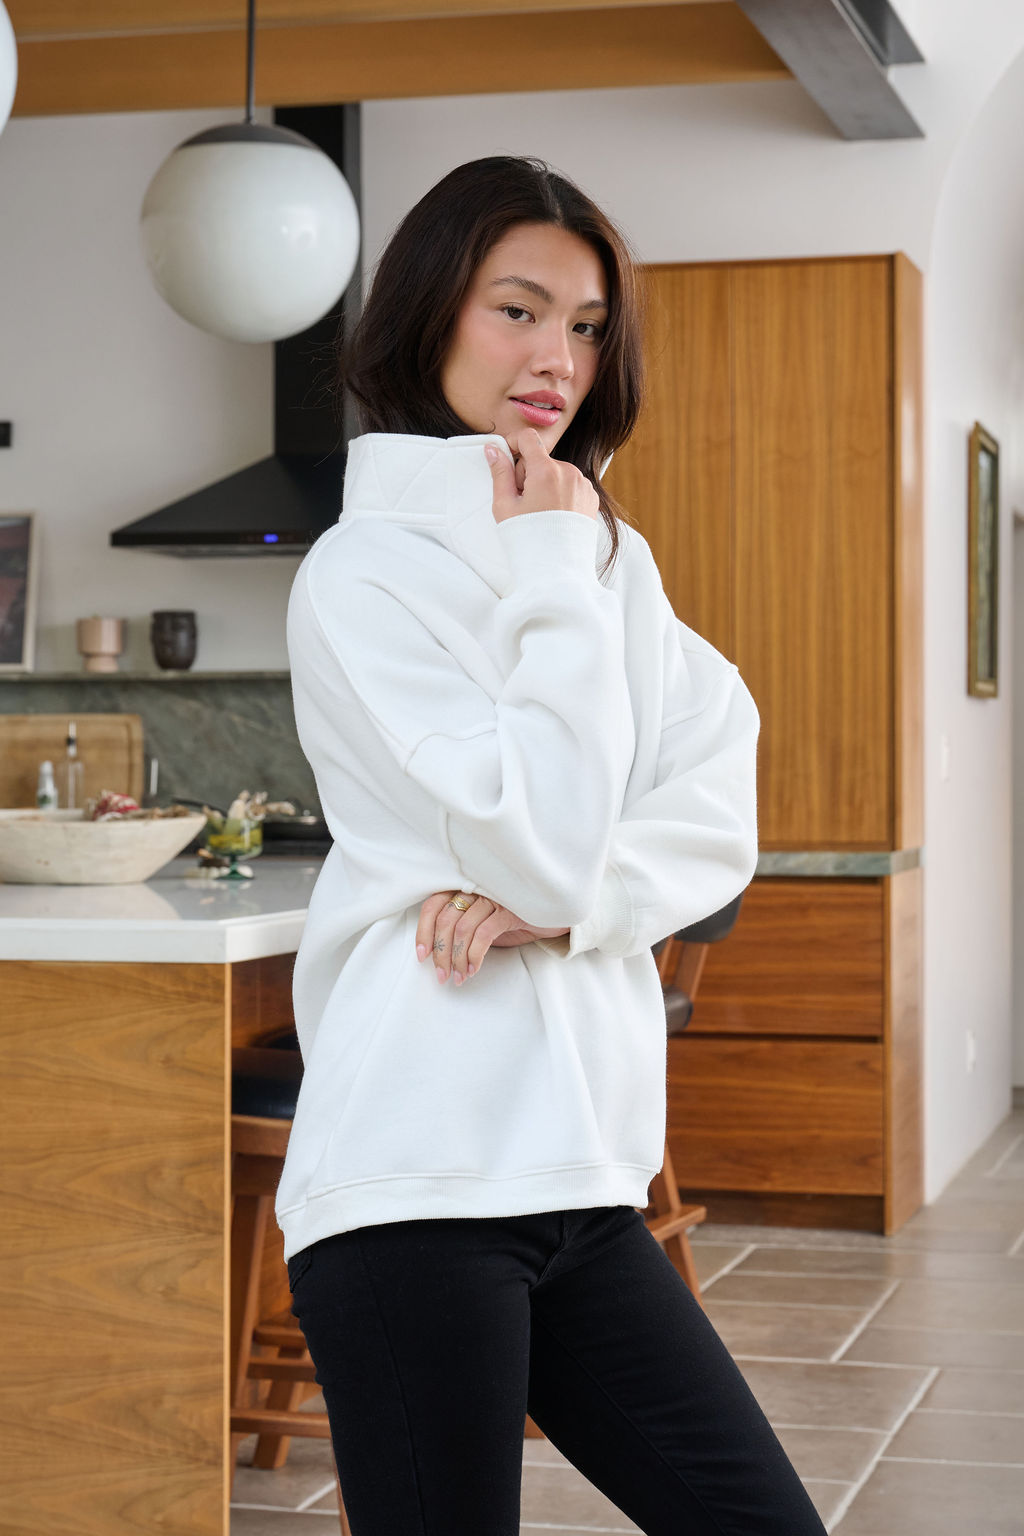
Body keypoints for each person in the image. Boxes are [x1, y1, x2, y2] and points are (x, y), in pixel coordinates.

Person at [278, 155, 827, 1536]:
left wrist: (571, 906)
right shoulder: (362, 574)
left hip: (584, 1176)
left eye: (585, 325)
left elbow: (714, 807)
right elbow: (537, 839)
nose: (557, 359)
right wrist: (543, 573)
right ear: (429, 316)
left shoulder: (600, 556)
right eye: (517, 310)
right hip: (415, 1174)